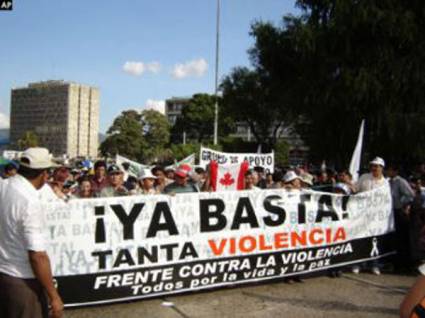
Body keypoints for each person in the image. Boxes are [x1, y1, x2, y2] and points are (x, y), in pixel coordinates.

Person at [0, 147, 63, 318]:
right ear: (44, 174)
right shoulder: (30, 201)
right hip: (23, 283)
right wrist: (54, 296)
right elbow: (37, 256)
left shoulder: (3, 186)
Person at [354, 156, 388, 275]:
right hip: (362, 215)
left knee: (375, 241)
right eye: (372, 166)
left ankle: (374, 265)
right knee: (361, 239)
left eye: (376, 166)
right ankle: (358, 264)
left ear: (382, 168)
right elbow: (355, 190)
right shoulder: (364, 178)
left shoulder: (385, 183)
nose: (374, 168)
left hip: (377, 218)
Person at [387, 164, 415, 272]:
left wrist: (402, 203)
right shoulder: (388, 182)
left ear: (395, 171)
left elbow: (410, 194)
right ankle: (397, 263)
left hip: (400, 211)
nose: (387, 172)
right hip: (391, 212)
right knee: (395, 239)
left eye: (389, 170)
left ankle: (406, 264)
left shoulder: (400, 182)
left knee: (402, 238)